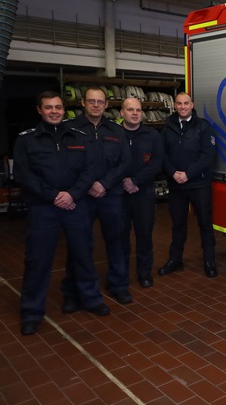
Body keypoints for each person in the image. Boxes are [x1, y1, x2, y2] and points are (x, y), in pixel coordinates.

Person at [13, 91, 109, 335]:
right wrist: (53, 196)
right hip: (43, 209)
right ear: (39, 110)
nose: (54, 111)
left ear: (63, 109)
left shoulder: (78, 136)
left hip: (75, 206)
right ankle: (32, 312)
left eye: (58, 107)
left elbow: (90, 170)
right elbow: (24, 175)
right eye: (48, 107)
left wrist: (72, 194)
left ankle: (91, 299)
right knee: (38, 261)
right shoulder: (27, 140)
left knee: (83, 255)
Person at [63, 87, 132, 307]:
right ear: (82, 103)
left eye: (100, 102)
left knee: (117, 242)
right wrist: (86, 186)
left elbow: (125, 162)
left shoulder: (115, 130)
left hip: (111, 195)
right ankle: (73, 292)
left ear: (106, 105)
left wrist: (104, 183)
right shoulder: (70, 129)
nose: (95, 105)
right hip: (81, 197)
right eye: (91, 101)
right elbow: (65, 164)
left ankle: (119, 285)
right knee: (79, 244)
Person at [159, 92, 218, 278]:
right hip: (176, 185)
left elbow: (208, 155)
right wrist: (173, 173)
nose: (182, 106)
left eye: (186, 103)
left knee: (205, 224)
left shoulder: (203, 127)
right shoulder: (167, 127)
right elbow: (161, 154)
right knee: (178, 224)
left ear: (192, 105)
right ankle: (175, 260)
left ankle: (209, 261)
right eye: (179, 103)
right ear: (174, 106)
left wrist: (188, 174)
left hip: (198, 183)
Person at [120, 98, 164, 288]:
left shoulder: (152, 135)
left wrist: (135, 181)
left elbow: (157, 162)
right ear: (122, 112)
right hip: (119, 193)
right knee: (119, 235)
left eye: (138, 110)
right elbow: (107, 161)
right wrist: (123, 181)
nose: (135, 113)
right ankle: (120, 274)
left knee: (144, 235)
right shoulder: (114, 134)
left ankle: (144, 273)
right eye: (130, 109)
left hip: (143, 192)